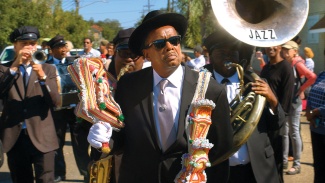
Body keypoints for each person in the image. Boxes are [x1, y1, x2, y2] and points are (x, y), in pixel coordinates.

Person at [87, 10, 233, 183]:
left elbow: (223, 148)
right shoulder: (128, 85)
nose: (169, 47)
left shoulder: (210, 89)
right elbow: (121, 136)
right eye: (159, 43)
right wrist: (103, 140)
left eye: (174, 40)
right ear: (146, 53)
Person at [204, 28, 285, 183]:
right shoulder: (200, 84)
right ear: (211, 57)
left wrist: (273, 101)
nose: (228, 56)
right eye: (222, 52)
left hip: (257, 170)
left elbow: (277, 124)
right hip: (219, 171)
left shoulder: (255, 82)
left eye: (233, 51)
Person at [0, 26, 60, 182]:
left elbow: (55, 101)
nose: (29, 47)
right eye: (24, 43)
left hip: (43, 137)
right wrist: (14, 66)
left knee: (46, 179)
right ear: (15, 46)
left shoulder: (48, 69)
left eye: (32, 43)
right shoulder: (4, 69)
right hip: (15, 138)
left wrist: (42, 77)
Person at [45, 35, 80, 182]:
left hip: (75, 109)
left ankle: (86, 170)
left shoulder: (74, 63)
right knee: (57, 143)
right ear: (52, 51)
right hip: (57, 110)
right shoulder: (46, 65)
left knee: (79, 141)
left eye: (64, 46)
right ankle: (60, 172)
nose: (63, 50)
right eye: (59, 47)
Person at [259, 45, 295, 182]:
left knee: (276, 162)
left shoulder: (286, 68)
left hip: (277, 122)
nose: (270, 48)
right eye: (267, 45)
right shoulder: (266, 67)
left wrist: (279, 118)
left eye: (274, 45)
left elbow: (286, 100)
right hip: (264, 121)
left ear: (280, 46)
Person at [281, 40, 317, 175]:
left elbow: (312, 77)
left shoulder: (297, 62)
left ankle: (296, 164)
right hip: (286, 102)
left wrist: (300, 89)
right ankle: (284, 161)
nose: (284, 52)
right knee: (285, 133)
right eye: (283, 50)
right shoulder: (288, 62)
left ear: (295, 51)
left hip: (294, 102)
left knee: (293, 132)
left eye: (287, 50)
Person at [306, 72, 325, 183]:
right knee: (319, 167)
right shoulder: (322, 74)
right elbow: (311, 94)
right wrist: (308, 110)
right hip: (316, 128)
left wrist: (315, 111)